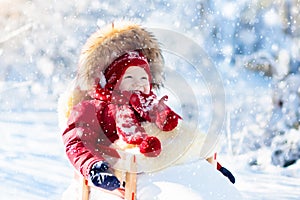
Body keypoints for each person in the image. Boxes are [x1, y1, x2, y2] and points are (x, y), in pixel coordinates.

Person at [59, 21, 240, 200]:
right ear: (113, 81)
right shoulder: (93, 108)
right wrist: (94, 166)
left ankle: (211, 183)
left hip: (175, 169)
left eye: (143, 77)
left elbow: (181, 139)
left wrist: (213, 168)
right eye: (129, 76)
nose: (138, 82)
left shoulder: (154, 108)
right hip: (138, 176)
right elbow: (77, 141)